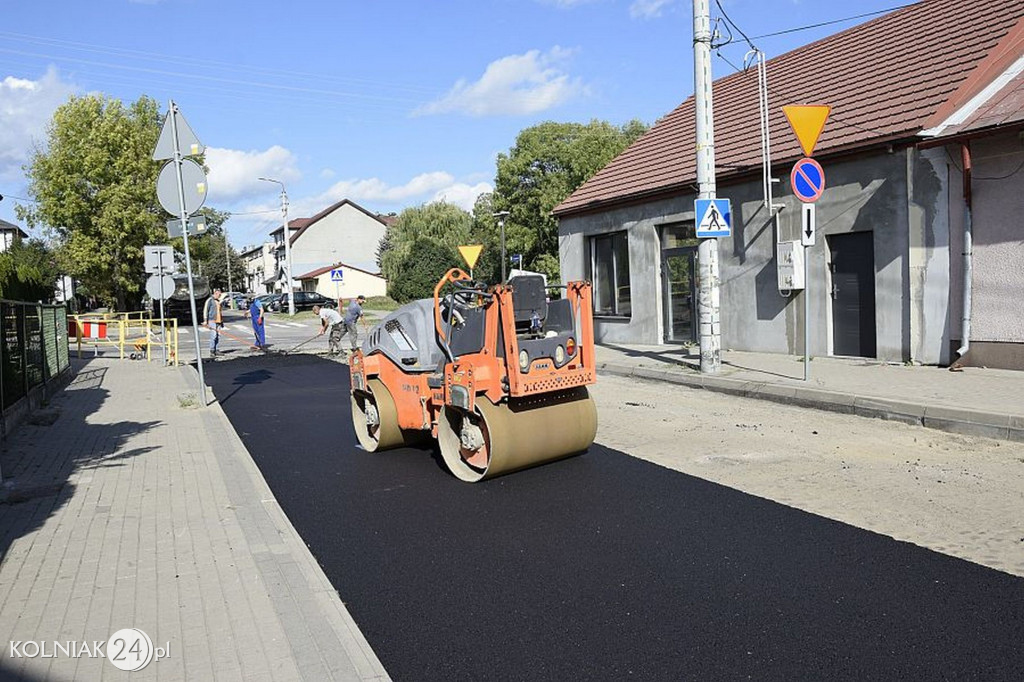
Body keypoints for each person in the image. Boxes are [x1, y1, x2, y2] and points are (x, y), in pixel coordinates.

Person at [205, 288, 224, 357]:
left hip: (218, 321)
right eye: (219, 295)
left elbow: (220, 312)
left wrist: (222, 321)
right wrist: (205, 320)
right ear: (215, 293)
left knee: (218, 336)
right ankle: (212, 350)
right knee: (213, 336)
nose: (220, 296)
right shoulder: (210, 300)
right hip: (212, 320)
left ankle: (216, 349)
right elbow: (206, 310)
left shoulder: (218, 301)